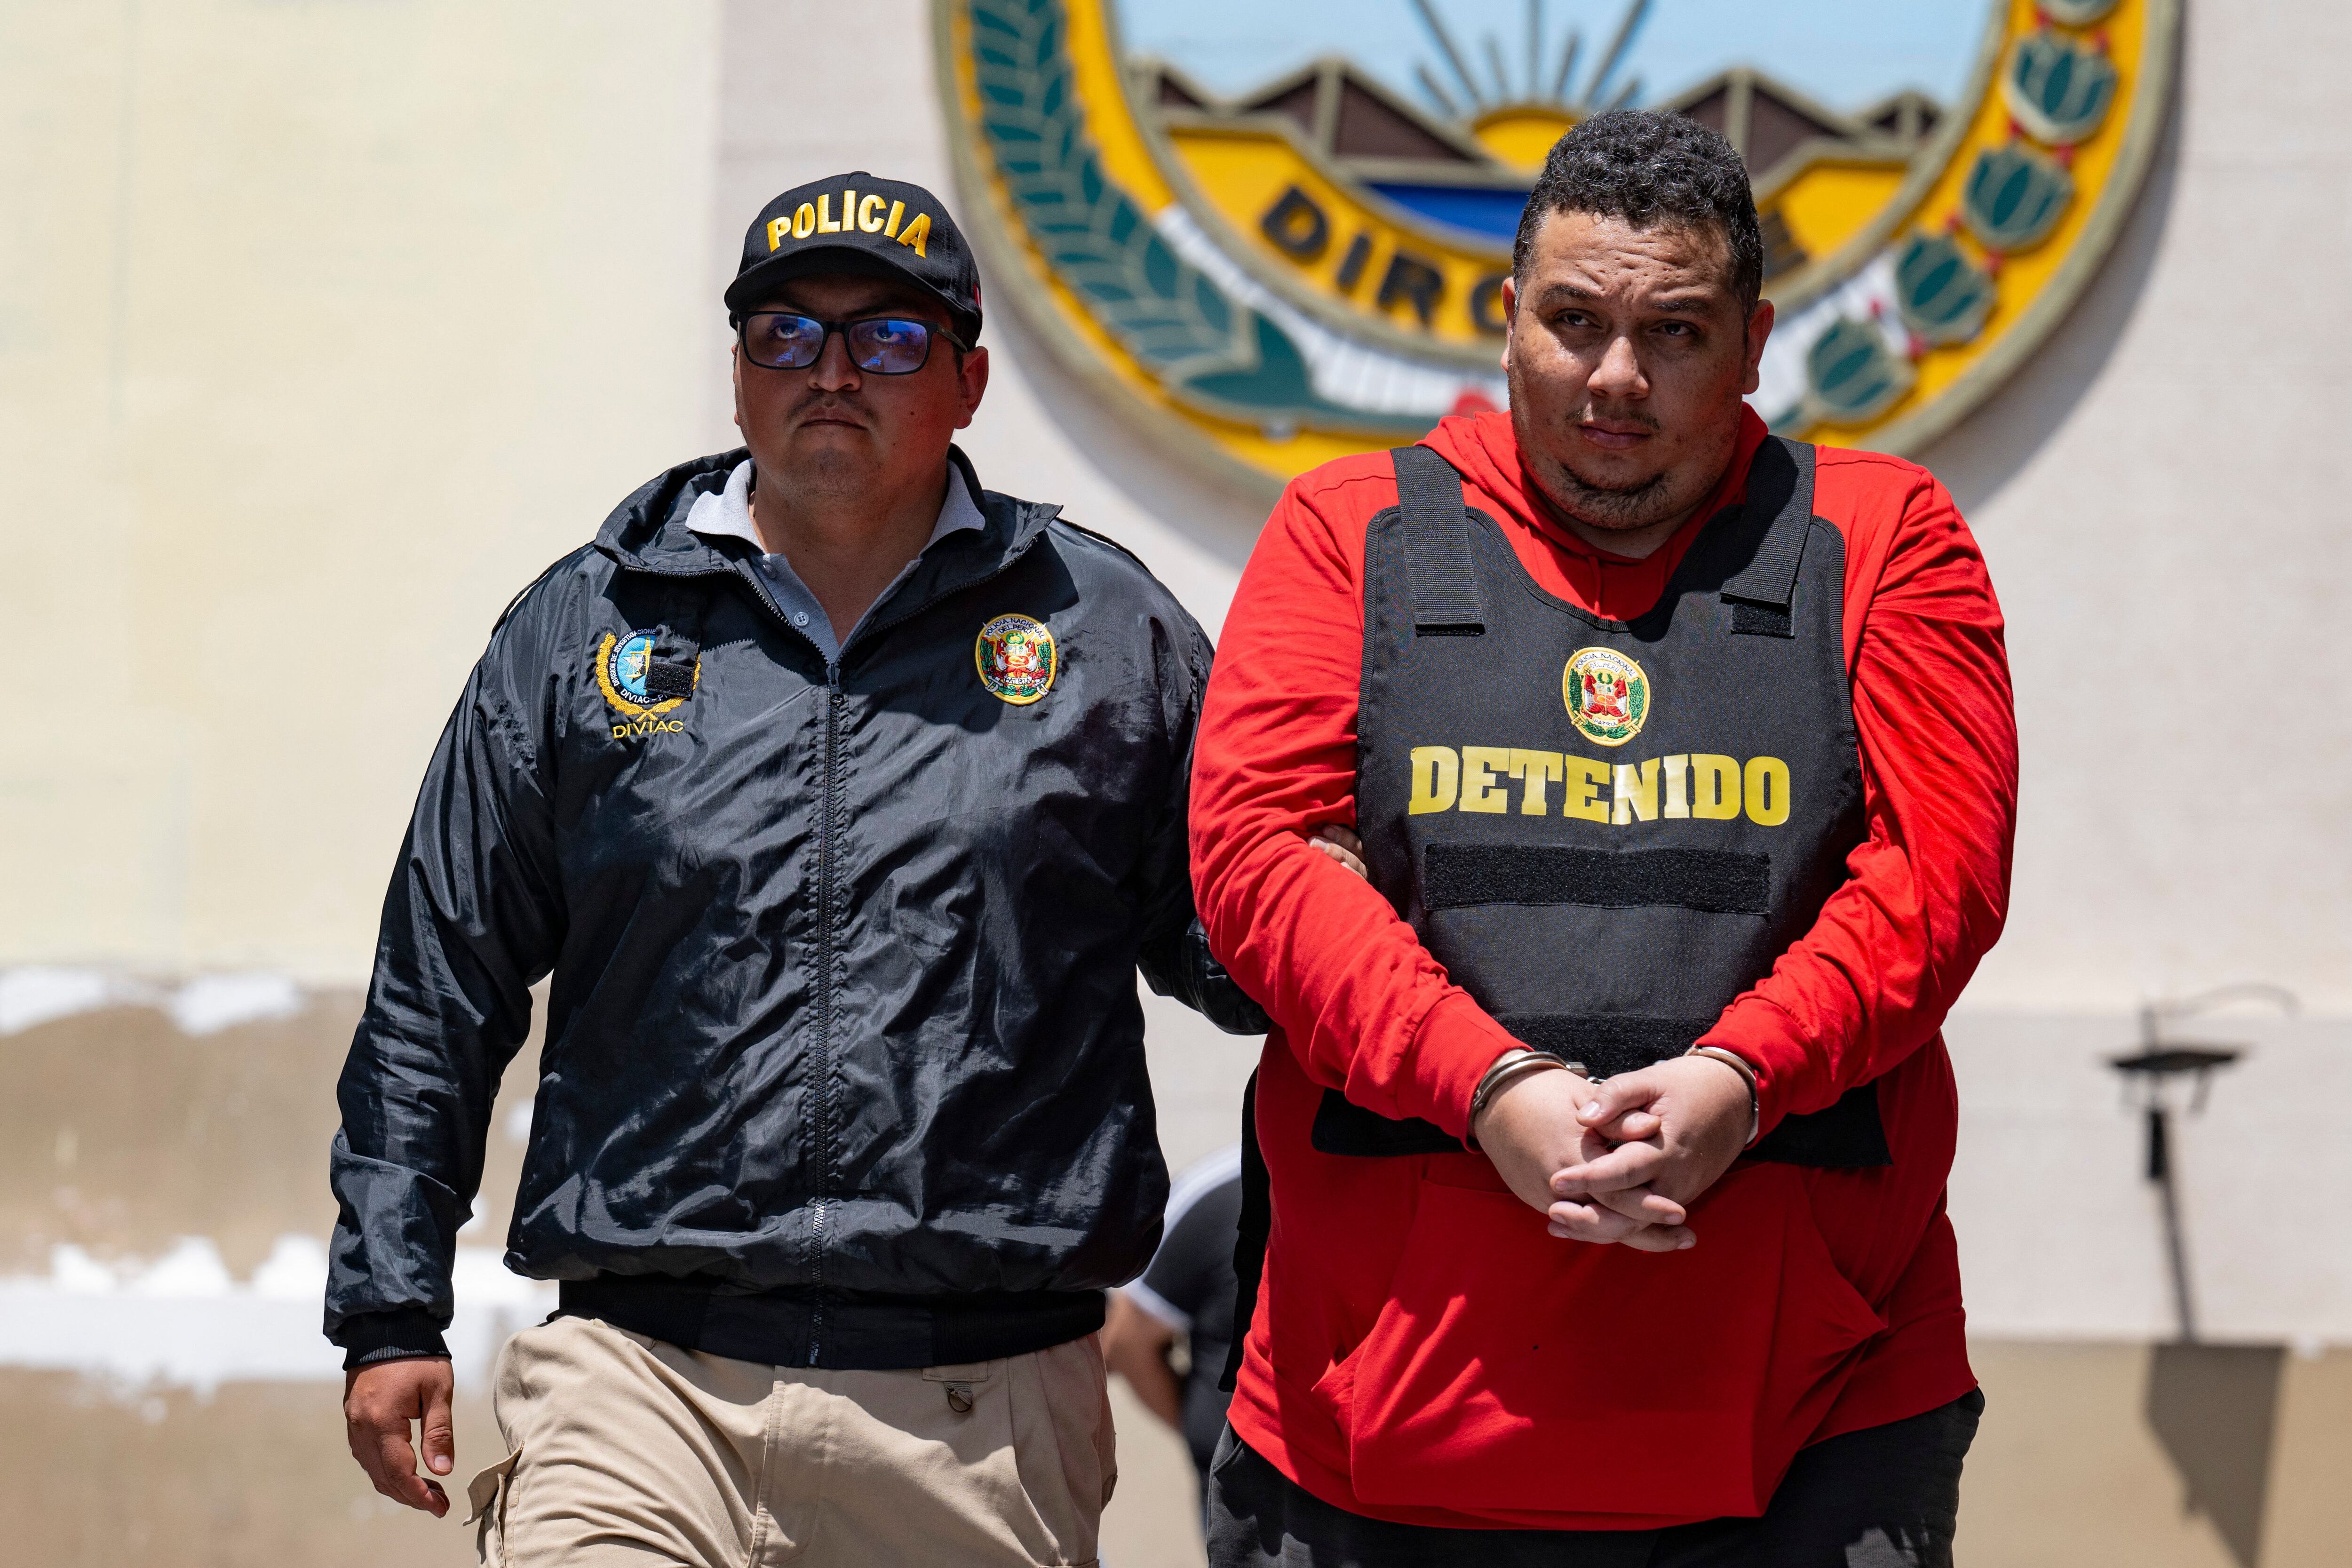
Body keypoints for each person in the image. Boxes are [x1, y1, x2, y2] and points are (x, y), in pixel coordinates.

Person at [328, 171, 1266, 1568]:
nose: (830, 372)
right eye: (786, 334)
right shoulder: (587, 627)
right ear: (738, 378)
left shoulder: (1102, 632)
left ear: (967, 379)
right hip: (639, 1381)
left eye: (886, 339)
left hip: (979, 1411)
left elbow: (1256, 950)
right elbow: (436, 984)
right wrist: (391, 1308)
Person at [1189, 111, 2017, 1566]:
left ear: (1754, 341)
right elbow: (1256, 860)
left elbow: (1935, 881)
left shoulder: (1887, 537)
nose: (1614, 378)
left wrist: (1740, 1077)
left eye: (1674, 332)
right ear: (1505, 317)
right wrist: (1489, 1084)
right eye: (1572, 321)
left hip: (1810, 1422)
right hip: (1387, 1424)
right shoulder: (1347, 530)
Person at [1101, 1145, 1245, 1501]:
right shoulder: (1219, 1193)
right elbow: (1125, 1341)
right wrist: (1205, 1432)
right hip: (1247, 1497)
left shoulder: (1398, 1180)